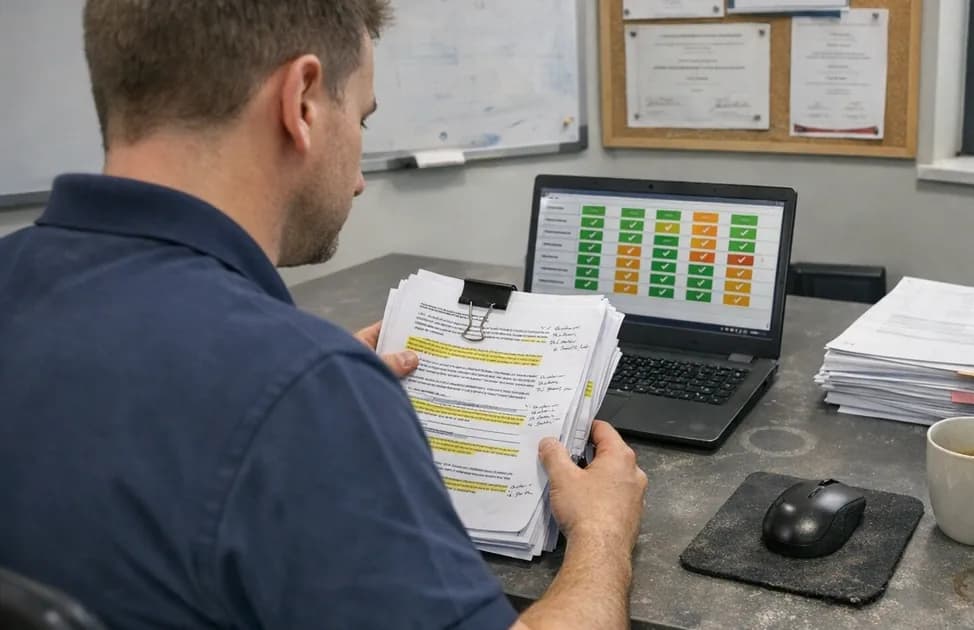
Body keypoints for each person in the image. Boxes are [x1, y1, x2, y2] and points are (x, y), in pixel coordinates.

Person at [0, 2, 647, 629]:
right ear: (303, 100)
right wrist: (602, 532)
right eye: (362, 117)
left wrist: (289, 385)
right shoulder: (306, 394)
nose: (361, 177)